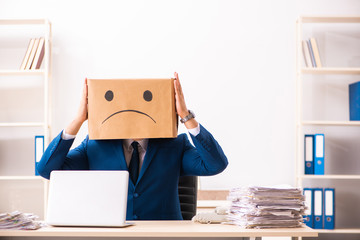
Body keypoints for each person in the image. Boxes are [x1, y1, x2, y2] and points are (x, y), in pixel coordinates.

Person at [37, 72, 228, 220]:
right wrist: (78, 120)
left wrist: (186, 116)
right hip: (114, 236)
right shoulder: (95, 146)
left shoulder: (176, 145)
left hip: (164, 236)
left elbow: (215, 165)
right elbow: (46, 170)